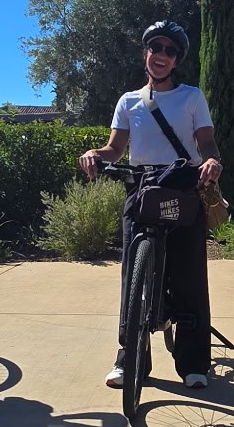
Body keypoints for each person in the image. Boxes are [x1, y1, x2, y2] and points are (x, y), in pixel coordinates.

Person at [79, 19, 223, 390]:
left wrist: (210, 161)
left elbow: (205, 141)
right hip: (142, 186)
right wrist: (96, 153)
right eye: (155, 47)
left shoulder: (192, 97)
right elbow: (115, 148)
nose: (160, 55)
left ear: (177, 60)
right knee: (133, 275)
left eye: (169, 51)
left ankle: (193, 363)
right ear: (146, 52)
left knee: (189, 274)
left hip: (181, 185)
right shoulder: (129, 101)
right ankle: (130, 360)